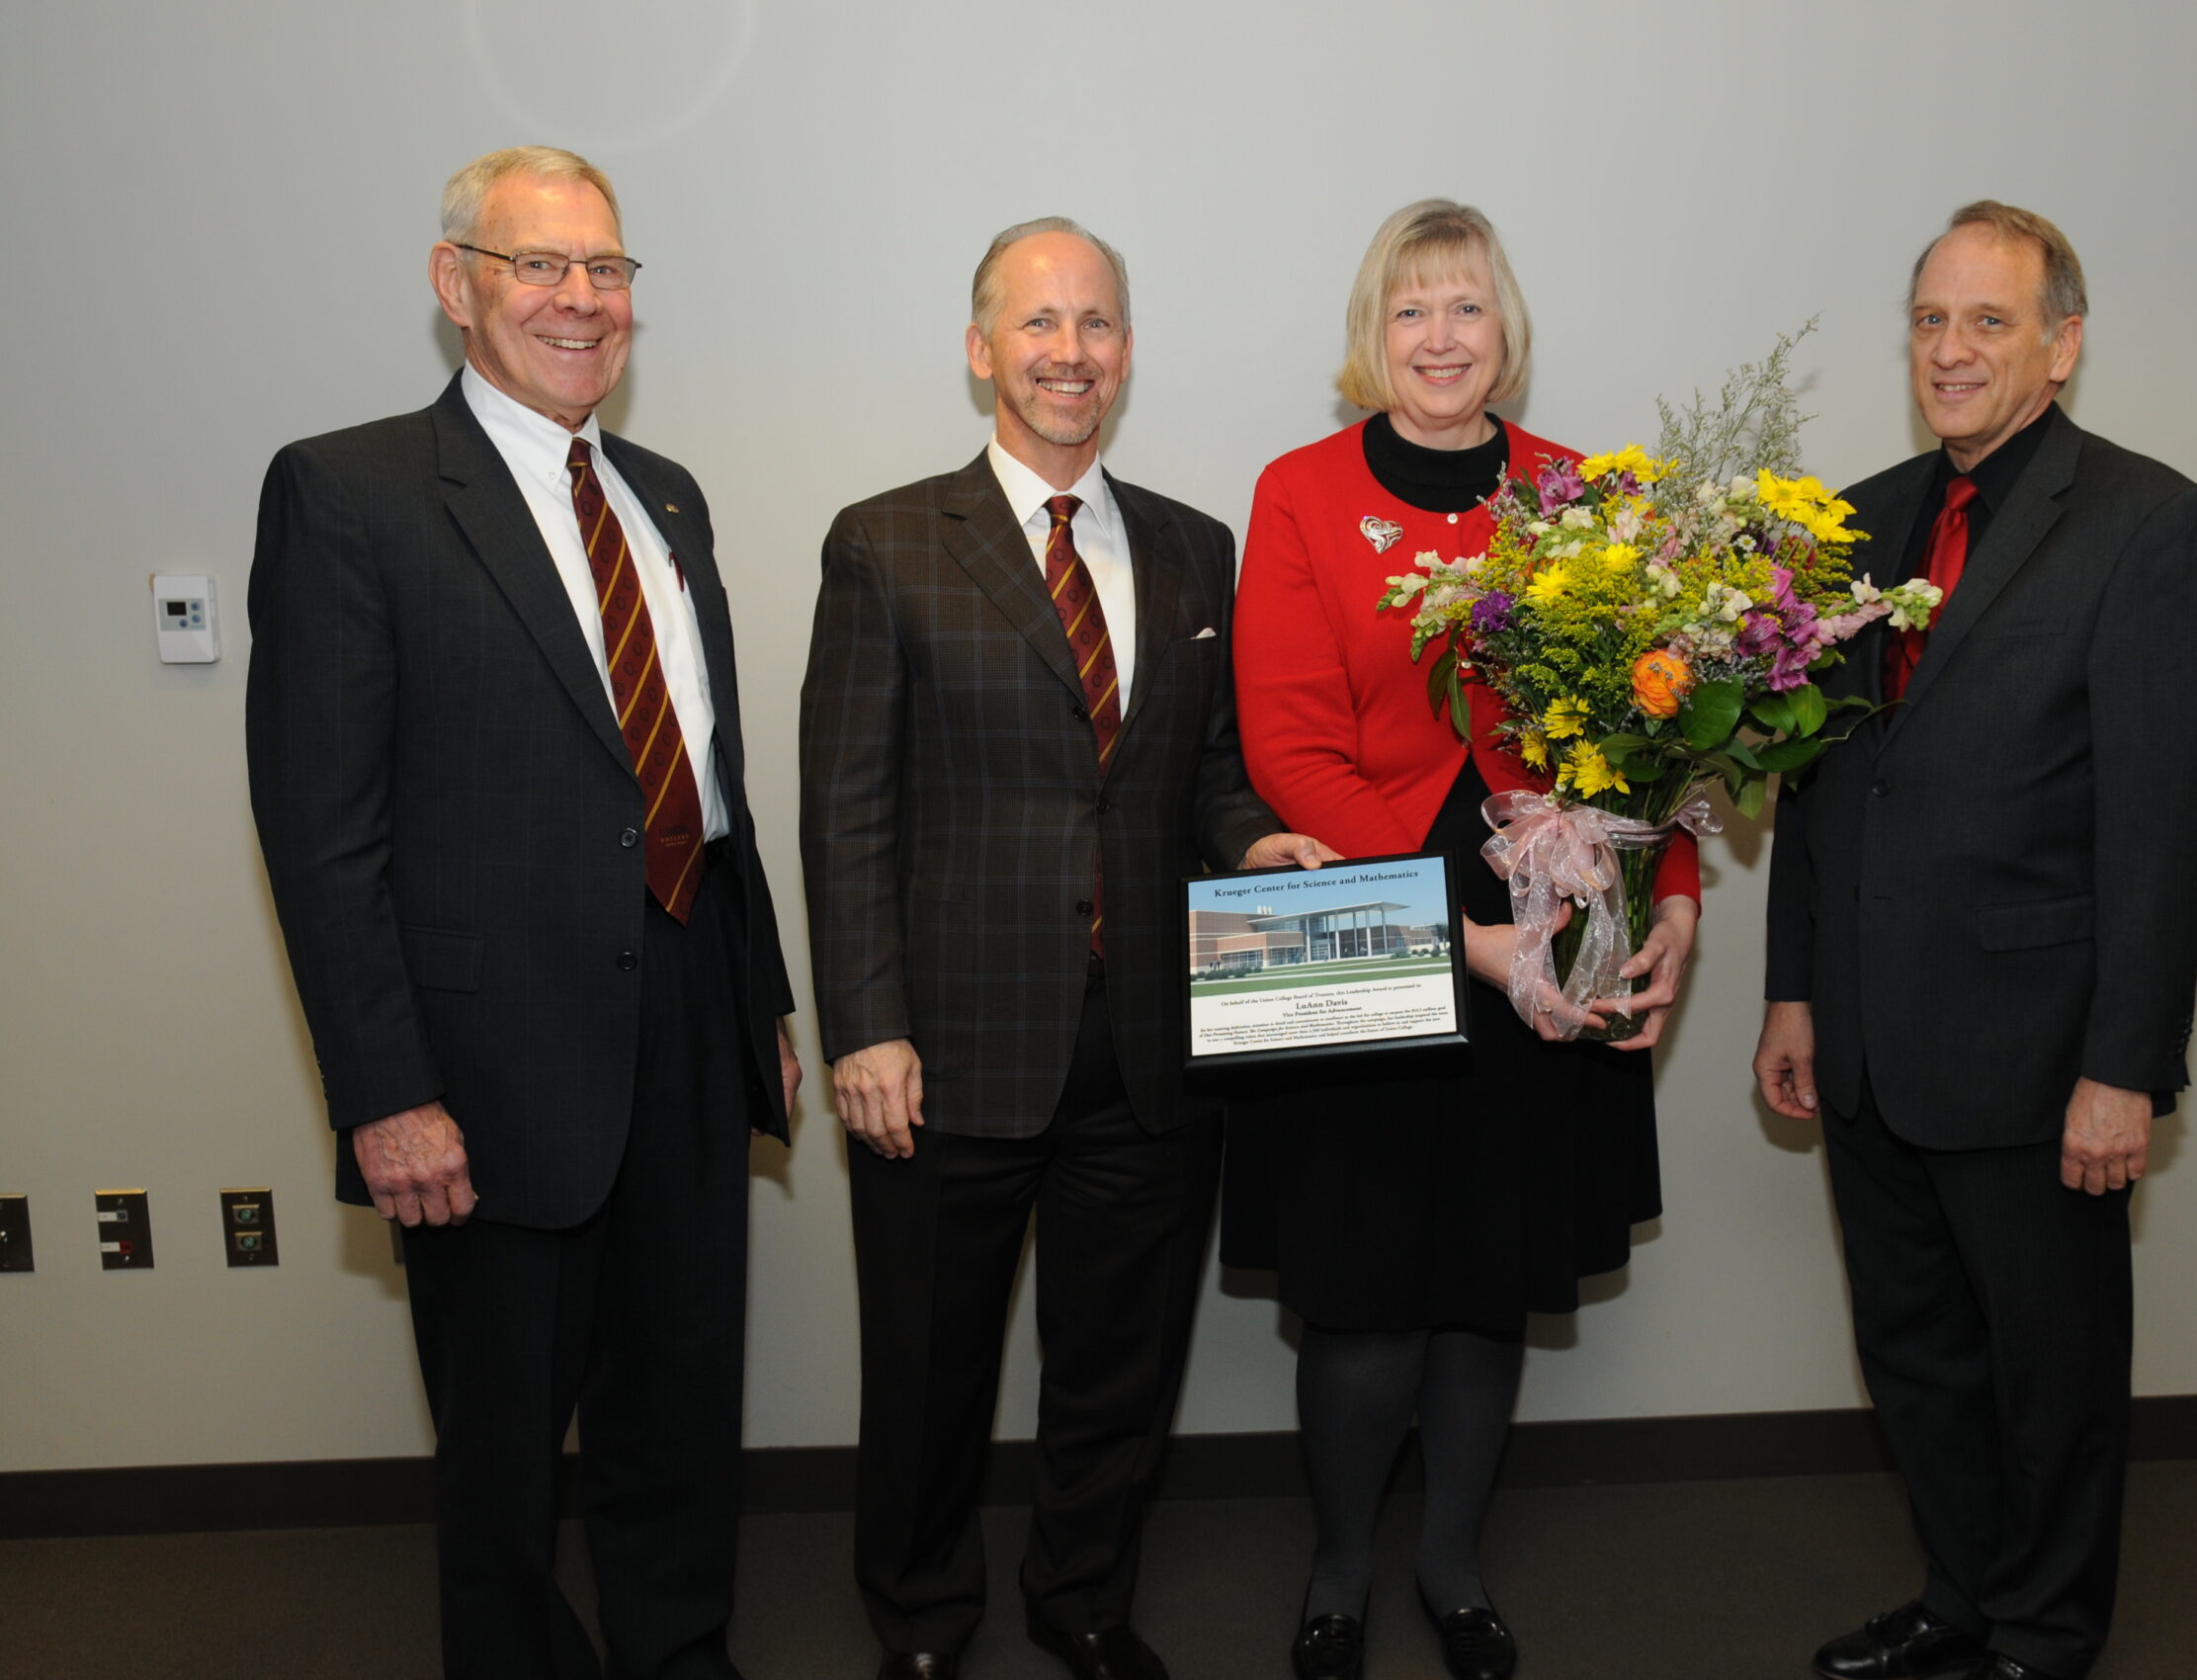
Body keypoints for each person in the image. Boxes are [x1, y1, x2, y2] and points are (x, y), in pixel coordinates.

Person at [245, 146, 802, 1677]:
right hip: (483, 1075)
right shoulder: (348, 493)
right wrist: (385, 1093)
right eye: (538, 265)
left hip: (688, 1021)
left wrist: (760, 1002)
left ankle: (678, 1654)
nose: (579, 300)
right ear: (455, 285)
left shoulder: (664, 495)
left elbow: (705, 770)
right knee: (501, 1466)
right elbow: (321, 833)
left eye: (606, 270)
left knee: (681, 1413)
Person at [800, 217, 1327, 1680]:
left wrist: (1255, 843)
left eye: (1096, 324)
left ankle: (1084, 1598)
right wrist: (863, 1023)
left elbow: (1208, 772)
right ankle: (918, 1617)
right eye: (1038, 324)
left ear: (1128, 353)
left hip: (1155, 1039)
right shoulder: (888, 539)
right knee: (927, 1371)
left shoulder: (1191, 547)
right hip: (945, 1046)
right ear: (982, 351)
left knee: (1118, 1366)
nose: (1069, 352)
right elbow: (844, 810)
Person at [1754, 203, 2197, 1680]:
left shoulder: (2151, 525)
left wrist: (2126, 1068)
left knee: (2055, 1375)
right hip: (1867, 1039)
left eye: (1987, 322)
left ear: (2062, 344)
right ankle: (1958, 1599)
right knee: (1915, 1356)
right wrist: (1791, 990)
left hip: (2039, 1057)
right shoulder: (1858, 519)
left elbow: (2166, 830)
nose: (1950, 351)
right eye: (1929, 321)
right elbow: (1817, 771)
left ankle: (2042, 1632)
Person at [1221, 200, 1704, 1680]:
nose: (1441, 337)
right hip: (1372, 907)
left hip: (1557, 903)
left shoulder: (1580, 493)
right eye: (1413, 309)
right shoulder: (1298, 492)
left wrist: (1673, 890)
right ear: (1376, 333)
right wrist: (1452, 932)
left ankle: (1452, 1564)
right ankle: (1344, 1567)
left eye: (1469, 309)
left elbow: (1658, 719)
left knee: (1489, 1278)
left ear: (1508, 332)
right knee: (1365, 1291)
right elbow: (1288, 746)